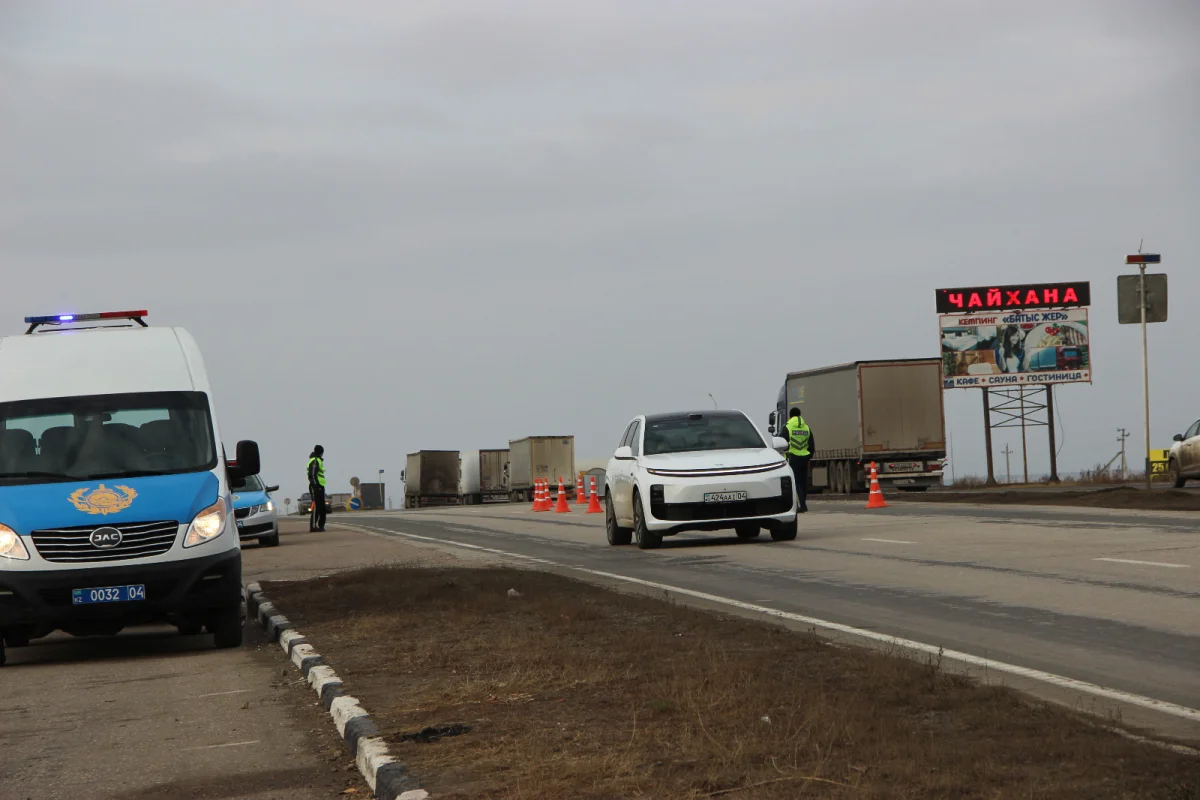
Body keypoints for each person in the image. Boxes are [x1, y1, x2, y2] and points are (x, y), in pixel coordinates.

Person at [785, 408, 813, 513]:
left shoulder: (787, 427)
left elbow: (781, 441)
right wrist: (809, 457)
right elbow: (811, 445)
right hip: (805, 458)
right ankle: (803, 503)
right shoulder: (807, 428)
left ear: (790, 416)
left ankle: (801, 505)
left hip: (793, 458)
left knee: (795, 482)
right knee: (803, 482)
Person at [306, 445, 327, 532]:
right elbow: (312, 474)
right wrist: (316, 485)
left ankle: (321, 526)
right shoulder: (315, 461)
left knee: (322, 507)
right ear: (321, 452)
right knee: (316, 507)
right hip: (316, 486)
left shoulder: (317, 460)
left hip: (320, 486)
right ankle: (313, 527)